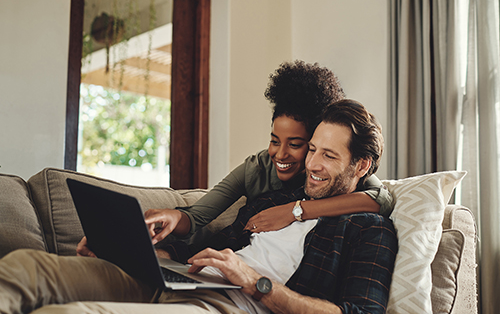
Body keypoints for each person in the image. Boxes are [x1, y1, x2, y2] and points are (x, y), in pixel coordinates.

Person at [0, 99, 397, 314]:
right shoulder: (273, 198)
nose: (310, 164)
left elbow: (358, 312)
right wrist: (132, 251)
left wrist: (253, 281)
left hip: (229, 303)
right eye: (312, 149)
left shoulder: (368, 229)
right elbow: (201, 243)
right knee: (25, 266)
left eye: (328, 155)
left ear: (361, 165)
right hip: (181, 280)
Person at [142, 61, 393, 246]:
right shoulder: (257, 168)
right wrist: (174, 216)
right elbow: (196, 218)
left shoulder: (337, 174)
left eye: (296, 144)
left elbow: (381, 199)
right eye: (274, 141)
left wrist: (294, 210)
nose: (280, 154)